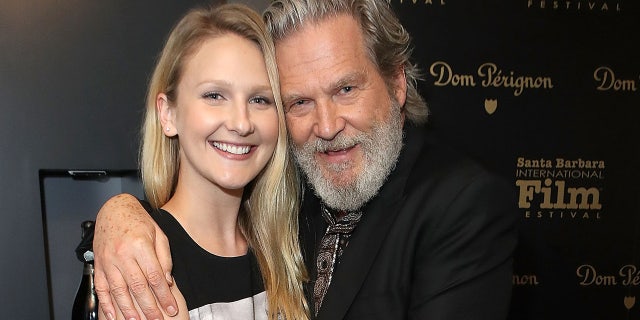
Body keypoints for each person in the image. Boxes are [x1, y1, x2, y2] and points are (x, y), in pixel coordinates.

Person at [94, 0, 518, 319]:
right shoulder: (295, 202)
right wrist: (117, 214)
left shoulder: (462, 206)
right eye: (299, 101)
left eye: (345, 89)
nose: (327, 125)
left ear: (397, 83)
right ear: (167, 113)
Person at [97, 3, 310, 320]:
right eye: (214, 95)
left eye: (260, 99)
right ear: (168, 114)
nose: (241, 123)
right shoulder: (143, 265)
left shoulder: (292, 246)